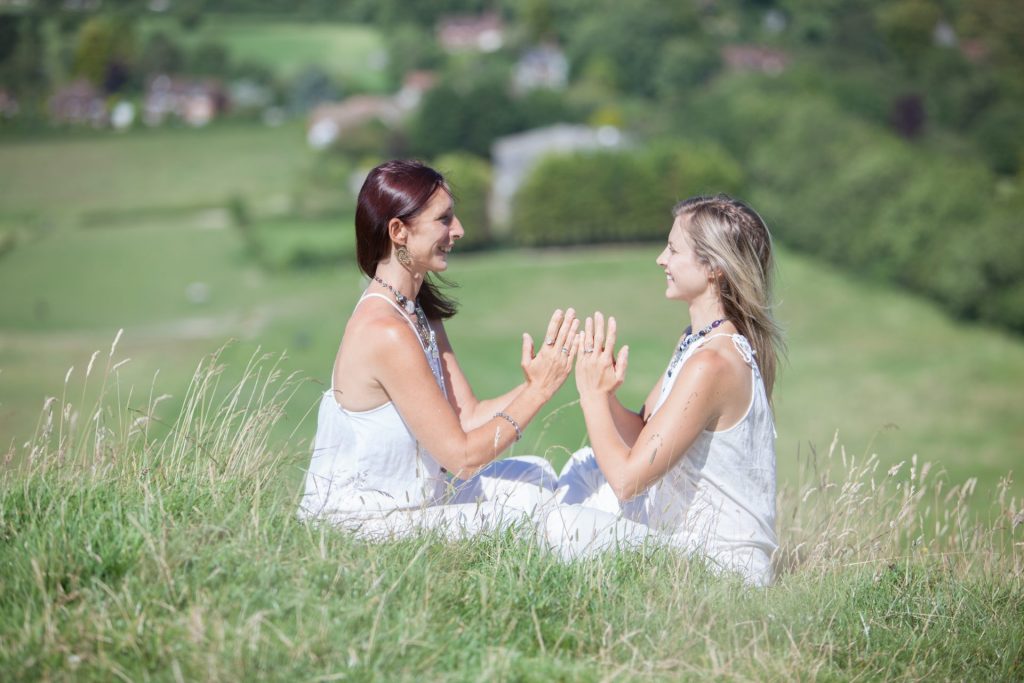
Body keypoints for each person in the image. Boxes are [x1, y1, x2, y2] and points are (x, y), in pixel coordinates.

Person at [298, 160, 579, 538]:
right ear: (398, 231)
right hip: (363, 524)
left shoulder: (417, 313)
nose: (458, 230)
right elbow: (462, 458)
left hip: (414, 504)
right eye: (444, 219)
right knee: (525, 514)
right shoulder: (385, 331)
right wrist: (539, 392)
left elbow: (468, 417)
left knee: (535, 473)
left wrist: (538, 382)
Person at [546, 194, 783, 586]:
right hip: (684, 543)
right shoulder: (695, 341)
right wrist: (606, 395)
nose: (661, 259)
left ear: (713, 268)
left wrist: (588, 394)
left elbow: (626, 482)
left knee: (561, 524)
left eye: (673, 250)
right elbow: (643, 436)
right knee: (584, 465)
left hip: (722, 568)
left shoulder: (714, 364)